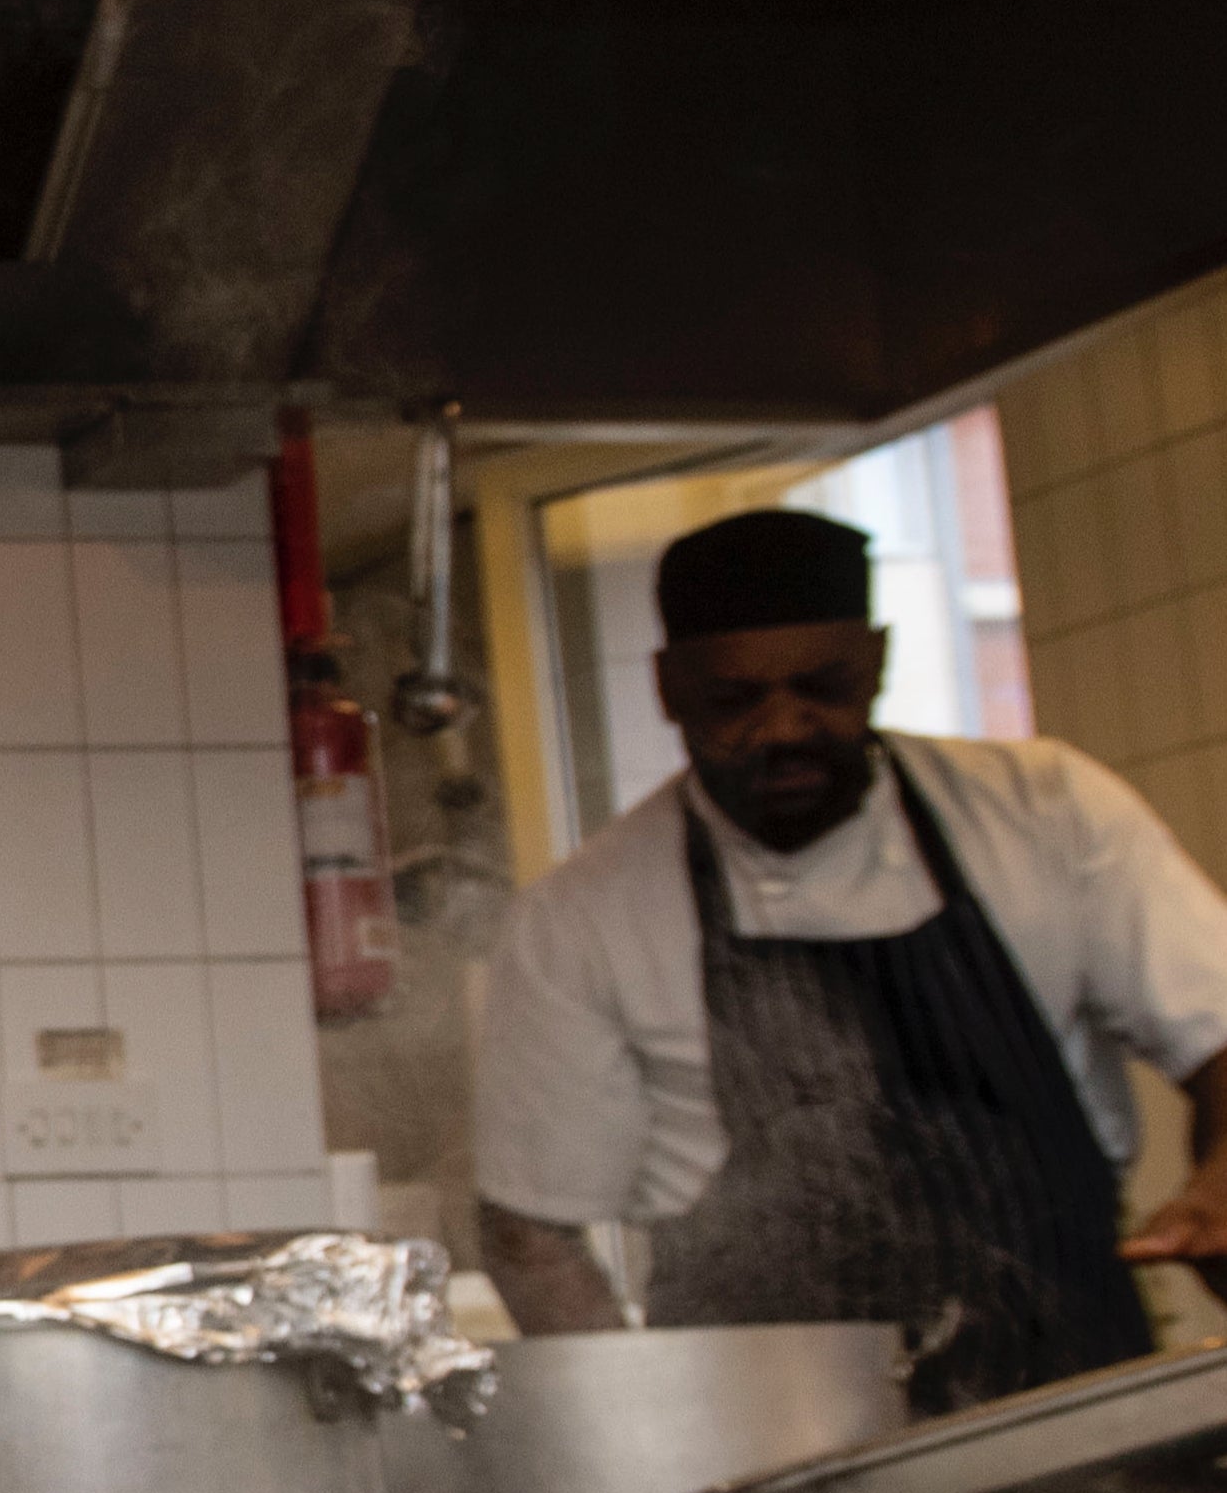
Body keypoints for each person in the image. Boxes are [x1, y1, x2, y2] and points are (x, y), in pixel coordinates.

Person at [473, 502, 1227, 1409]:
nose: (786, 728)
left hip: (1073, 1396)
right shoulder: (582, 917)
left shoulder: (1047, 811)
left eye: (824, 688)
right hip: (777, 1436)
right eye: (735, 700)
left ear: (875, 662)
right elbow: (533, 1233)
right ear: (668, 689)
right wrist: (654, 1433)